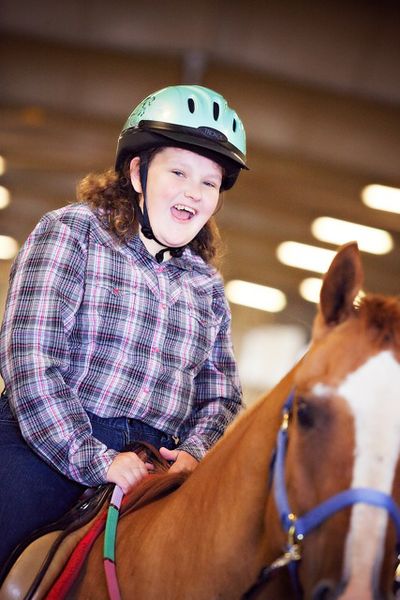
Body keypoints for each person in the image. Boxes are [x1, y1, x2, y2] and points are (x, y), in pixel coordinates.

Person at [0, 84, 248, 570]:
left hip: (154, 466)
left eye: (209, 183)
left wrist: (194, 453)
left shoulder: (206, 286)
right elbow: (30, 360)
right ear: (137, 172)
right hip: (48, 443)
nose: (192, 192)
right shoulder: (71, 233)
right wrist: (99, 459)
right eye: (178, 172)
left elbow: (221, 393)